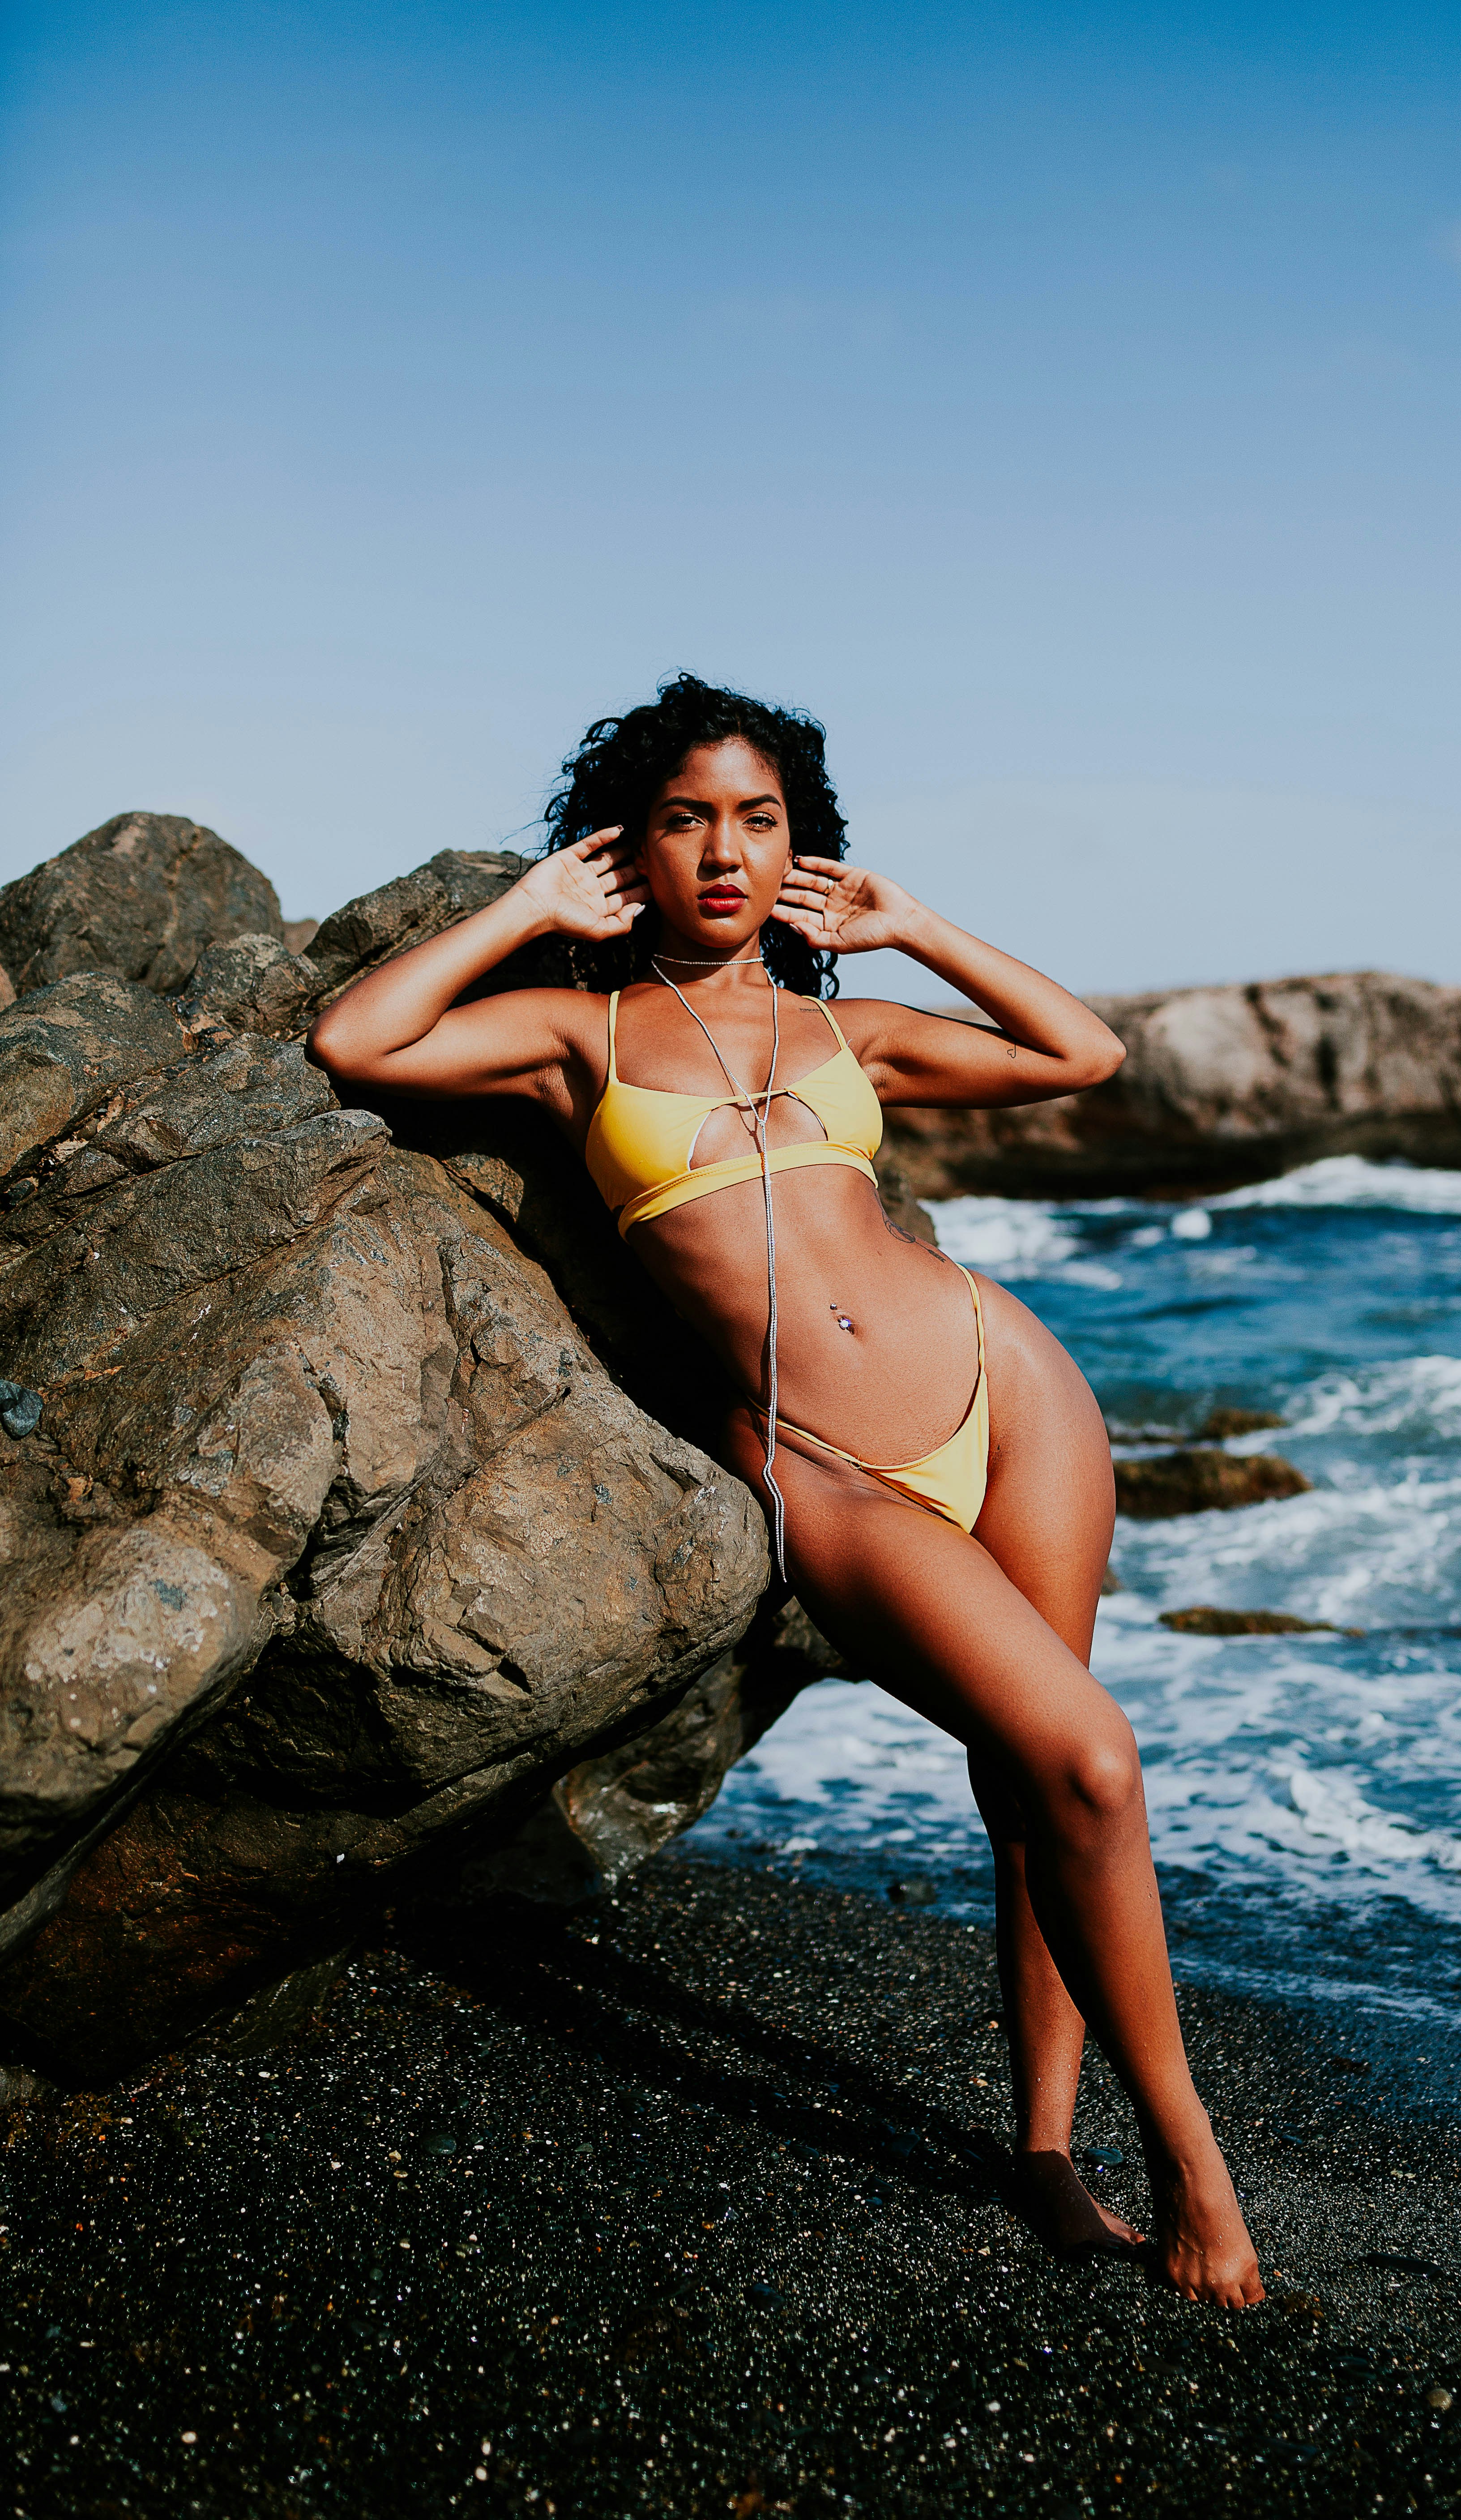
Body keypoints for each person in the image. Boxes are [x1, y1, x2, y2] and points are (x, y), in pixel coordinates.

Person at [308, 675, 1263, 2306]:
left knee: (1036, 1770)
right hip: (830, 1470)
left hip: (1006, 1386)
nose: (727, 852)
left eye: (761, 819)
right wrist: (530, 908)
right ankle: (1199, 2170)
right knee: (1087, 1760)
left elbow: (1080, 1051)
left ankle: (1049, 2141)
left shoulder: (847, 1026)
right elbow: (357, 1037)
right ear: (634, 841)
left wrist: (916, 924)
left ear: (798, 843)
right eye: (689, 819)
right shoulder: (575, 1037)